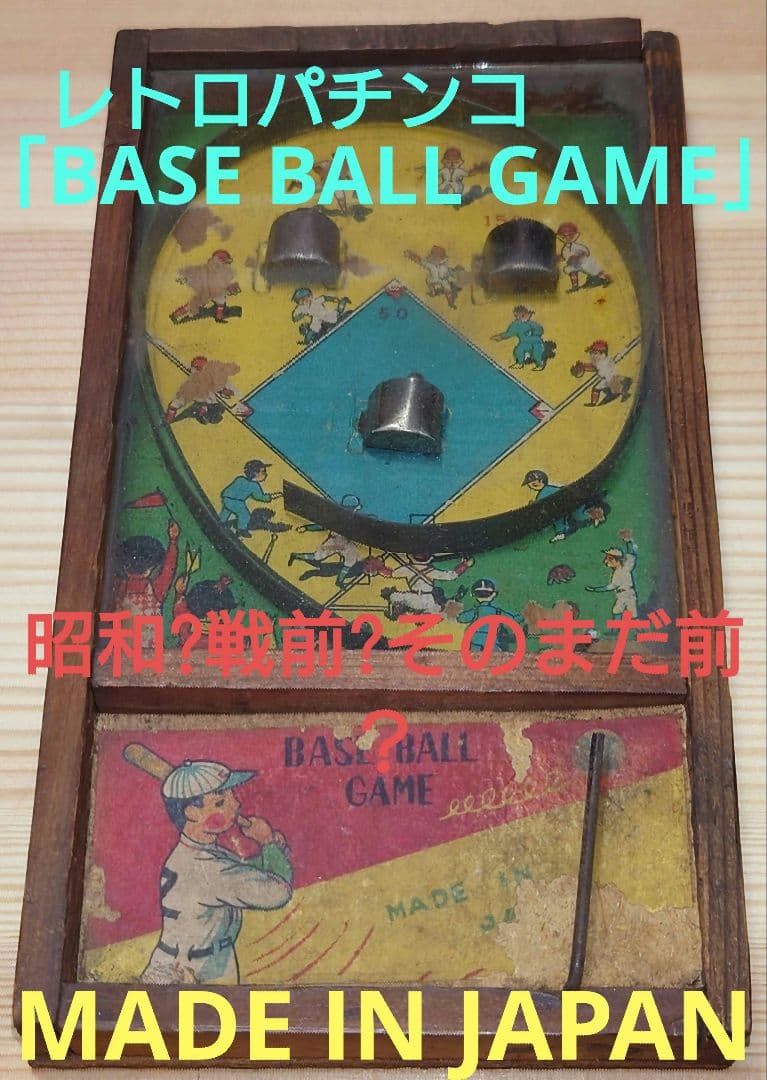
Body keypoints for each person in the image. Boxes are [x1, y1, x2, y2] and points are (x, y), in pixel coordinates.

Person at [141, 758, 292, 985]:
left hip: (205, 963)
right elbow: (277, 893)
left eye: (232, 796)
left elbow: (245, 871)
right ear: (192, 812)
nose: (236, 804)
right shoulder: (207, 867)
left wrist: (272, 850)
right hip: (186, 973)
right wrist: (268, 842)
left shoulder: (200, 853)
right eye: (221, 802)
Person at [170, 249, 241, 324]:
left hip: (216, 293)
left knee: (221, 302)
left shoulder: (224, 271)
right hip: (206, 292)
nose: (226, 264)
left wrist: (231, 287)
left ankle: (218, 318)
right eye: (225, 262)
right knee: (193, 304)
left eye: (226, 263)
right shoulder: (208, 269)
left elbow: (225, 283)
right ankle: (175, 315)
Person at [455, 579, 524, 652]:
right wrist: (525, 615)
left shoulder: (475, 611)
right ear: (494, 594)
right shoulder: (498, 611)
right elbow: (514, 619)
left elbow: (461, 618)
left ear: (473, 595)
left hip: (476, 643)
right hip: (493, 643)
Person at [219, 460, 282, 538]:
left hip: (226, 498)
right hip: (237, 501)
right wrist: (272, 496)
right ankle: (241, 530)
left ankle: (221, 522)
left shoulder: (240, 478)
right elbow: (260, 497)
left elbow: (230, 489)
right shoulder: (254, 486)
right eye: (263, 472)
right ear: (255, 473)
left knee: (226, 510)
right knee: (245, 515)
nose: (266, 474)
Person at [585, 529, 639, 617]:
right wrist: (627, 541)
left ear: (616, 560)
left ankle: (638, 626)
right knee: (616, 611)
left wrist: (595, 589)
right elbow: (631, 555)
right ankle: (616, 626)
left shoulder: (624, 569)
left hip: (628, 594)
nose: (606, 561)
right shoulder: (622, 568)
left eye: (610, 559)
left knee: (632, 615)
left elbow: (610, 587)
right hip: (621, 595)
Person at [492, 305, 556, 370]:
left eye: (523, 315)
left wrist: (534, 332)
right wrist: (500, 337)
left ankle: (540, 364)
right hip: (523, 343)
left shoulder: (532, 324)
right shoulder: (516, 325)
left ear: (527, 314)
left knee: (537, 354)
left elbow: (540, 331)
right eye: (517, 316)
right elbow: (509, 333)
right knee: (518, 350)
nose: (520, 318)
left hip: (536, 343)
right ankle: (519, 363)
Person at [571, 340, 632, 407]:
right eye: (592, 353)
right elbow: (592, 367)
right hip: (605, 380)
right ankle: (593, 402)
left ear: (603, 354)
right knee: (596, 388)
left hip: (612, 378)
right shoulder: (598, 363)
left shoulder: (606, 361)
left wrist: (625, 350)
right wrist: (583, 366)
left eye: (595, 353)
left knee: (616, 388)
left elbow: (618, 357)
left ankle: (625, 394)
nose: (592, 356)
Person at [556, 222, 611, 291]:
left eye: (570, 235)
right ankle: (575, 287)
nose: (567, 238)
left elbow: (586, 252)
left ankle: (608, 279)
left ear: (575, 235)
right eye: (564, 236)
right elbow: (565, 257)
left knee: (596, 272)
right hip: (574, 264)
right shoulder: (565, 249)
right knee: (572, 271)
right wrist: (558, 258)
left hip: (584, 263)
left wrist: (579, 256)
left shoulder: (577, 245)